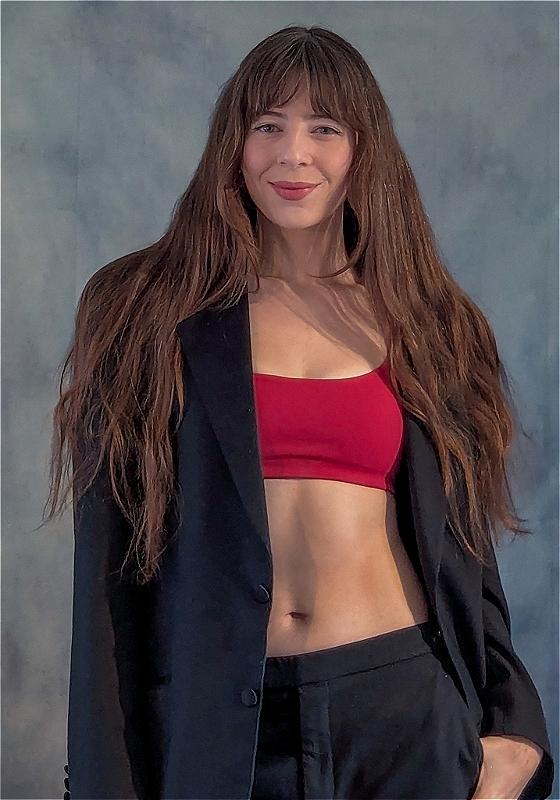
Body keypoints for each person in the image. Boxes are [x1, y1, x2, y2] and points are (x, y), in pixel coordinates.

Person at [43, 25, 554, 800]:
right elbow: (106, 578)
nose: (293, 155)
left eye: (324, 129)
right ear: (233, 144)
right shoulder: (141, 310)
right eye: (267, 126)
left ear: (363, 149)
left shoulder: (434, 324)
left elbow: (466, 554)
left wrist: (513, 734)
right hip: (219, 731)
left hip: (404, 713)